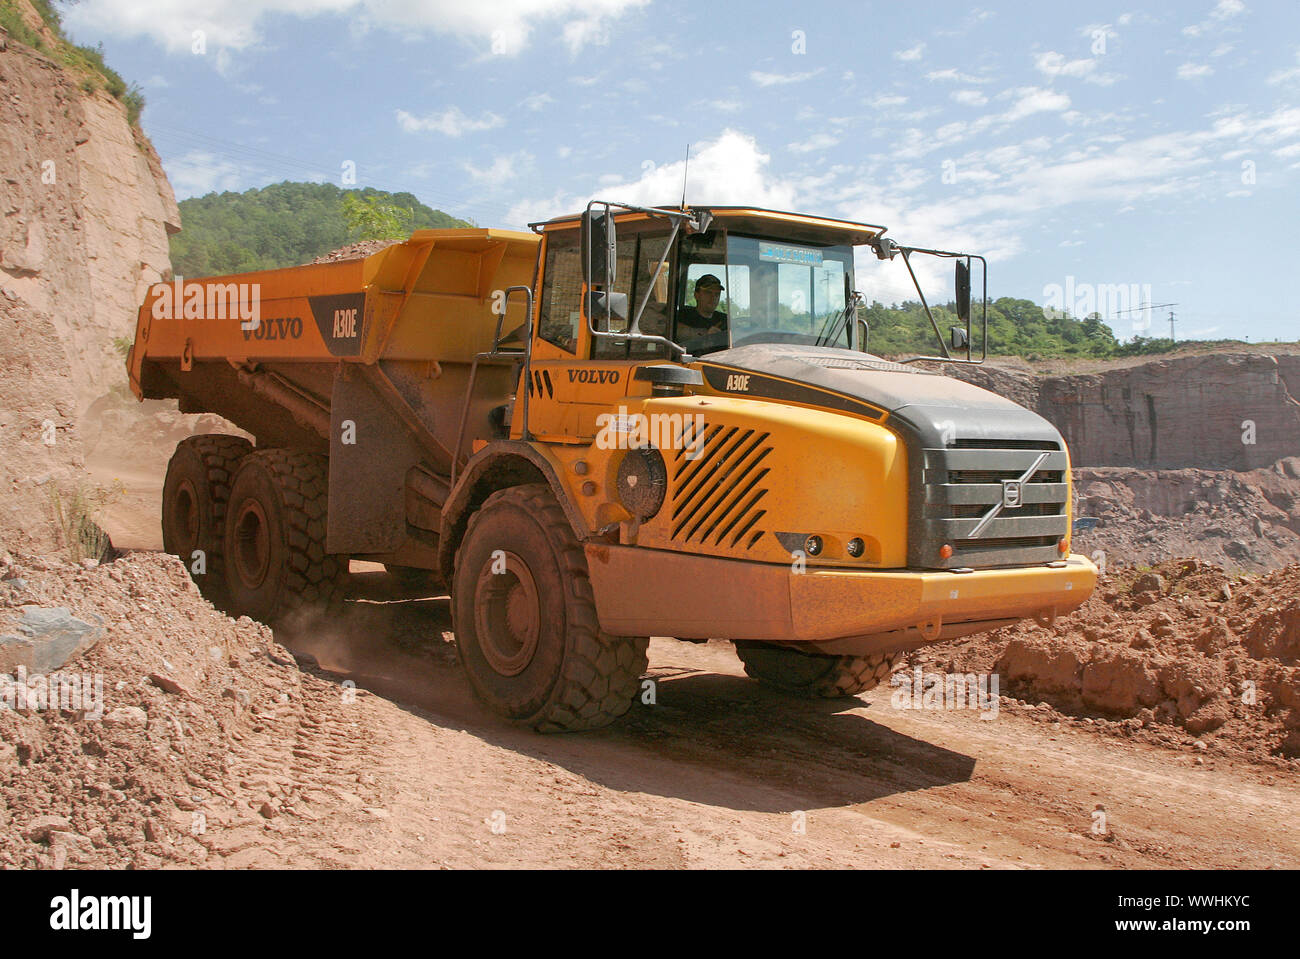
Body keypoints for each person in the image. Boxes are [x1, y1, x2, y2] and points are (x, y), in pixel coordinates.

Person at [677, 273, 728, 352]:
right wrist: (704, 338)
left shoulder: (725, 320)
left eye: (717, 294)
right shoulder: (683, 317)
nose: (713, 298)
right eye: (708, 293)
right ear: (696, 295)